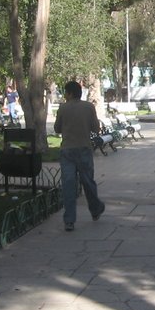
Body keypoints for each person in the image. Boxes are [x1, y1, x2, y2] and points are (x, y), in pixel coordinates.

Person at [53, 80, 105, 231]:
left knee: (68, 185)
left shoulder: (63, 108)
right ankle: (95, 209)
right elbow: (96, 127)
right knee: (88, 182)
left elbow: (57, 129)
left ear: (69, 93)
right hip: (84, 149)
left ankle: (69, 220)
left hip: (67, 151)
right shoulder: (89, 107)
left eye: (65, 92)